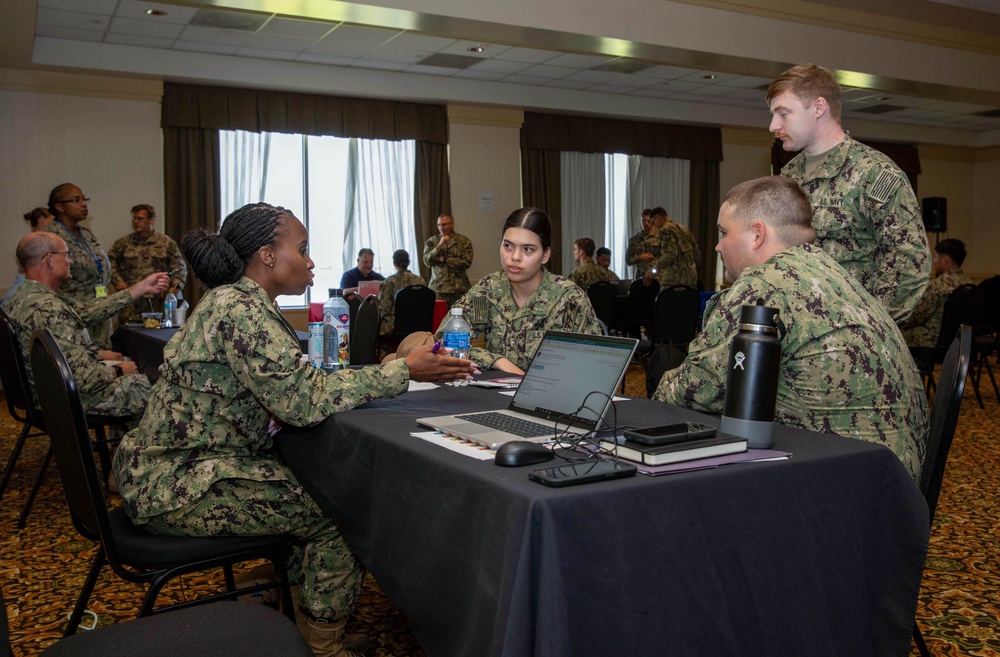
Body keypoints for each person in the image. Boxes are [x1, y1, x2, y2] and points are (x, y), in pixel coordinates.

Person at [112, 202, 476, 657]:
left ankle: (280, 606)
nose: (309, 261)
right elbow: (302, 401)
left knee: (315, 484)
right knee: (339, 505)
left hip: (174, 468)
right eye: (301, 249)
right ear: (267, 256)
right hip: (177, 482)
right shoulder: (240, 308)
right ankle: (322, 645)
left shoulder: (235, 299)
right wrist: (403, 370)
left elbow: (293, 386)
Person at [653, 176, 927, 481]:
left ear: (757, 235)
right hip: (890, 474)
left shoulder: (766, 283)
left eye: (723, 232)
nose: (718, 246)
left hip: (843, 479)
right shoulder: (833, 273)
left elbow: (693, 391)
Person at [766, 63, 930, 324]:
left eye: (783, 113)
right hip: (800, 330)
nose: (774, 125)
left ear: (819, 108)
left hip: (854, 341)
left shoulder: (874, 173)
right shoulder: (788, 176)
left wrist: (872, 327)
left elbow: (909, 260)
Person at [4, 232, 168, 417]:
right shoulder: (48, 308)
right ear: (49, 260)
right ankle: (145, 444)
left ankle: (132, 441)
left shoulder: (20, 297)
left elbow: (86, 311)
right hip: (70, 399)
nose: (70, 261)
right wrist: (117, 369)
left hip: (44, 394)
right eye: (66, 254)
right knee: (161, 387)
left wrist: (142, 287)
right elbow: (85, 379)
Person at [442, 207, 601, 375]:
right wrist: (496, 361)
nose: (515, 257)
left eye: (528, 249)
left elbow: (594, 363)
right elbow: (444, 343)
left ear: (545, 255)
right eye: (508, 246)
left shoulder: (568, 298)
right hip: (496, 394)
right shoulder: (489, 290)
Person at [43, 183, 116, 348]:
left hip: (100, 315)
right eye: (76, 200)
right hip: (74, 318)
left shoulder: (87, 234)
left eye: (84, 199)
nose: (83, 204)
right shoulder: (51, 238)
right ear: (59, 207)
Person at [108, 204, 188, 321]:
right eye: (134, 219)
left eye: (140, 219)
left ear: (151, 220)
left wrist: (175, 287)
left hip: (158, 302)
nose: (136, 222)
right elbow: (108, 262)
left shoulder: (166, 242)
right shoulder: (123, 243)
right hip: (132, 301)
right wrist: (118, 281)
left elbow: (180, 267)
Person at [901, 239, 972, 349]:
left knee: (891, 335)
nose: (933, 261)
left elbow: (915, 318)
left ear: (945, 260)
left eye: (935, 256)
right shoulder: (969, 284)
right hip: (959, 342)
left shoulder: (938, 286)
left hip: (930, 340)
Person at [1, 207, 56, 307]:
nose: (53, 219)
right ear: (41, 220)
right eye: (50, 217)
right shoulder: (32, 242)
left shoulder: (42, 240)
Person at [422, 214, 473, 307]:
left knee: (460, 319)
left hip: (459, 289)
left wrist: (445, 260)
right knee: (440, 320)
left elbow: (467, 262)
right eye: (439, 225)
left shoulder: (463, 241)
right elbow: (427, 261)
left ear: (452, 224)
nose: (441, 228)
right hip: (439, 290)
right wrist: (439, 246)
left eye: (444, 224)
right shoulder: (432, 242)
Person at [643, 207, 700, 288]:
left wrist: (653, 270)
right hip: (691, 279)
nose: (654, 226)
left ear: (658, 218)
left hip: (674, 280)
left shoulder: (665, 230)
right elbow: (696, 254)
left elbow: (670, 254)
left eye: (653, 222)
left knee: (664, 299)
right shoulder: (684, 229)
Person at [378, 249, 426, 337]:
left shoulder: (389, 282)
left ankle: (384, 351)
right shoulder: (421, 280)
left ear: (394, 264)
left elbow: (384, 309)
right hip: (419, 324)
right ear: (409, 262)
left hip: (396, 325)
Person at [625, 209, 658, 278]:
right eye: (644, 221)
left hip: (657, 276)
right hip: (641, 276)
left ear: (653, 221)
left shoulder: (660, 236)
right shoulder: (634, 239)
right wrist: (639, 258)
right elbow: (628, 260)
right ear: (641, 221)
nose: (646, 223)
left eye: (649, 221)